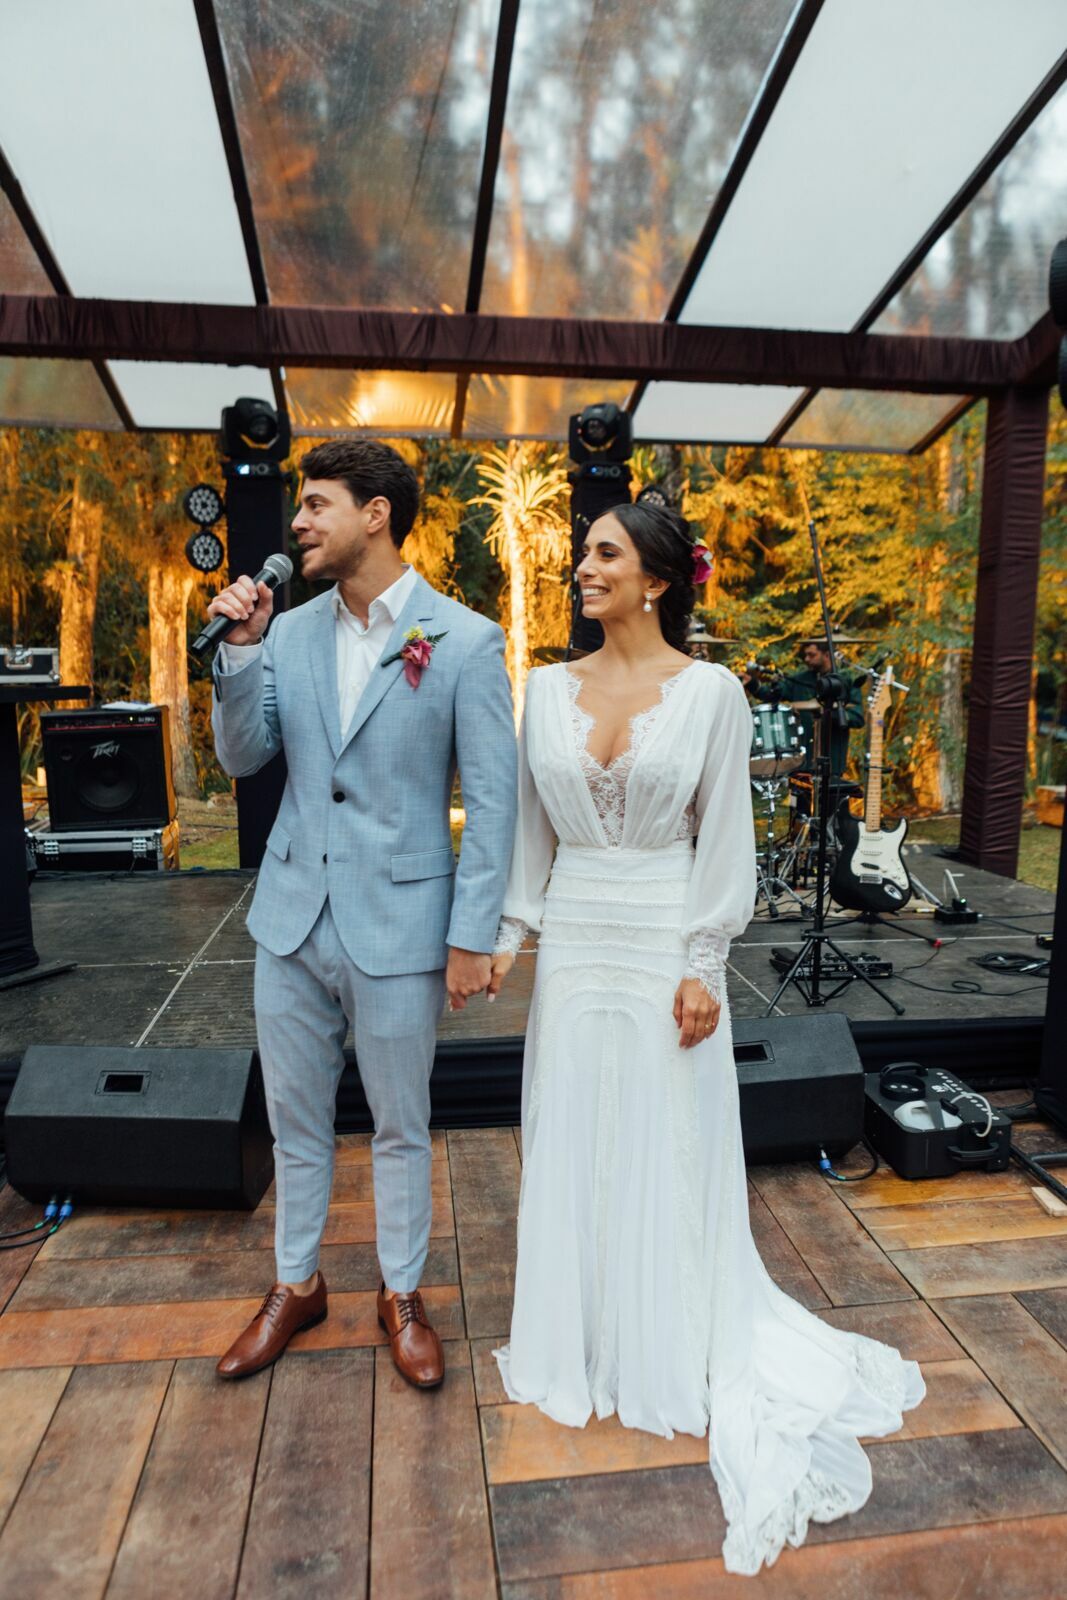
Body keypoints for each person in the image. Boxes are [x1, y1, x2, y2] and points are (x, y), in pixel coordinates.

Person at [487, 502, 924, 1576]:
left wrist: (700, 965)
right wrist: (504, 936)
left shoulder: (713, 694)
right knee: (573, 1130)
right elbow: (525, 833)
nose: (580, 567)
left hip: (659, 939)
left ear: (655, 580)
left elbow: (723, 835)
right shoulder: (541, 687)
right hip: (575, 940)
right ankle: (581, 1337)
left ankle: (670, 1338)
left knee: (662, 1141)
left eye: (603, 553)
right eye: (582, 551)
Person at [208, 439, 516, 1387]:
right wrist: (239, 654)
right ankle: (295, 1285)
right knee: (296, 1122)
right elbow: (243, 758)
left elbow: (496, 804)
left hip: (403, 926)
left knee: (399, 1124)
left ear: (374, 513)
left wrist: (471, 936)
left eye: (315, 505)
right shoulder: (287, 632)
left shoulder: (462, 640)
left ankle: (401, 1292)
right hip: (292, 919)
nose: (297, 523)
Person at [772, 639, 865, 779]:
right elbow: (773, 694)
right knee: (801, 799)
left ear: (827, 655)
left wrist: (830, 715)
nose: (806, 659)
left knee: (831, 799)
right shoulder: (800, 680)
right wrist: (753, 684)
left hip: (833, 760)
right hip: (801, 761)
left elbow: (857, 717)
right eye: (806, 655)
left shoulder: (846, 681)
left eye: (812, 655)